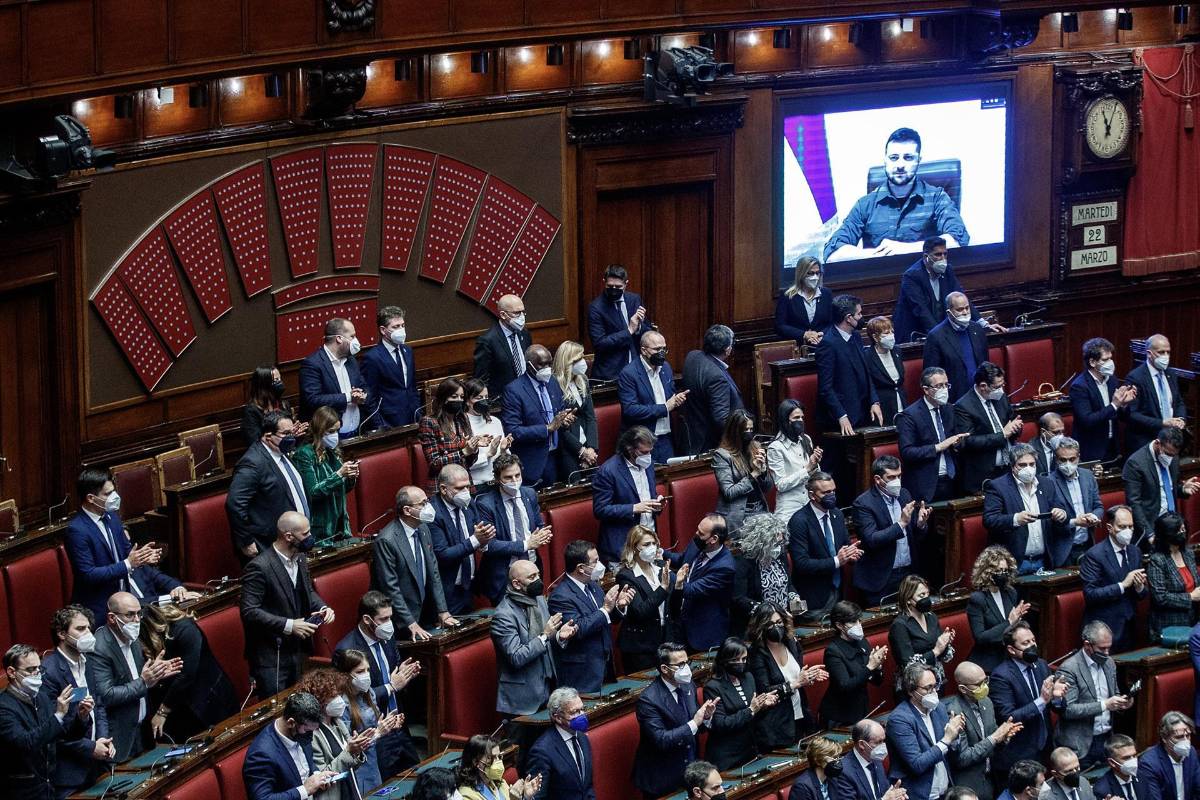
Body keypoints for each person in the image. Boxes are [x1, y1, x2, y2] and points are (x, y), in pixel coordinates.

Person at [823, 129, 969, 262]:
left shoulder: (937, 197)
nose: (900, 164)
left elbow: (957, 241)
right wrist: (878, 254)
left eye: (908, 157)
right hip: (882, 280)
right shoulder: (865, 205)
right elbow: (832, 254)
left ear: (918, 160)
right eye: (894, 158)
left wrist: (904, 249)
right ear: (885, 160)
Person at [65, 467, 191, 621]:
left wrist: (142, 557)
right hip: (105, 608)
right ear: (91, 498)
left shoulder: (111, 517)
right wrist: (128, 564)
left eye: (113, 491)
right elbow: (88, 575)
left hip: (133, 600)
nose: (114, 496)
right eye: (107, 494)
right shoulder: (77, 530)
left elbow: (131, 559)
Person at [239, 512, 333, 696]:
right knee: (279, 712)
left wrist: (322, 607)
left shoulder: (300, 558)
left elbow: (307, 591)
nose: (310, 538)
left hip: (298, 650)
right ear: (288, 536)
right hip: (272, 656)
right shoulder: (259, 567)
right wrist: (289, 625)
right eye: (305, 534)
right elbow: (249, 611)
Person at [332, 591, 421, 776]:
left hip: (398, 725)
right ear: (367, 619)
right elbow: (350, 695)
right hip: (373, 732)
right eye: (384, 618)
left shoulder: (387, 639)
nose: (389, 623)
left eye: (390, 617)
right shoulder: (346, 650)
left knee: (415, 778)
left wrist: (405, 673)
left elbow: (395, 673)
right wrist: (391, 686)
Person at [87, 591, 182, 761]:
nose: (137, 620)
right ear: (111, 618)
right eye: (130, 615)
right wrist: (144, 682)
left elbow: (136, 678)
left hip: (142, 732)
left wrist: (155, 674)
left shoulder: (132, 637)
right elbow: (105, 695)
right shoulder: (99, 648)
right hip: (119, 738)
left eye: (139, 614)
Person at [0, 643, 90, 800]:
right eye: (30, 670)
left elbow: (60, 735)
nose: (36, 674)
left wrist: (81, 717)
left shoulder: (41, 697)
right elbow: (26, 743)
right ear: (11, 672)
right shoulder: (4, 707)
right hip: (23, 792)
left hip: (49, 787)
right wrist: (59, 715)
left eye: (38, 669)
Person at [138, 603, 238, 743]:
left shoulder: (185, 629)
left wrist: (162, 712)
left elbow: (187, 675)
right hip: (177, 705)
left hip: (208, 698)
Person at [371, 486, 459, 641]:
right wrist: (409, 622)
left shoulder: (423, 528)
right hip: (400, 620)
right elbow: (390, 588)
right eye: (423, 503)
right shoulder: (387, 540)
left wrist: (442, 610)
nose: (428, 507)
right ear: (407, 510)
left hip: (425, 610)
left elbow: (434, 572)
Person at [43, 606, 113, 799]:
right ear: (61, 633)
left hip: (96, 767)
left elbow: (99, 705)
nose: (88, 634)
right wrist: (91, 748)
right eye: (80, 629)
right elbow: (52, 730)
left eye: (89, 628)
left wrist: (103, 740)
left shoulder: (88, 661)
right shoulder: (49, 673)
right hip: (68, 774)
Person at [632, 642, 717, 799]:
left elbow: (697, 725)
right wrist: (695, 722)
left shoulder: (688, 686)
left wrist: (705, 718)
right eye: (681, 664)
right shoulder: (649, 700)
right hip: (662, 776)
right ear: (664, 669)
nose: (687, 668)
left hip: (690, 771)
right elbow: (661, 739)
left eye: (687, 662)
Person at [492, 560, 576, 717]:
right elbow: (516, 657)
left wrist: (559, 636)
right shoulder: (503, 615)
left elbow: (547, 640)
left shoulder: (538, 600)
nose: (538, 580)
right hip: (523, 700)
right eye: (532, 577)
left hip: (550, 690)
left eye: (538, 574)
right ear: (517, 584)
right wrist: (545, 635)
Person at [548, 540, 633, 693]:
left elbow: (605, 618)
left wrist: (619, 606)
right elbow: (577, 629)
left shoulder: (593, 585)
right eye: (595, 561)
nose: (600, 565)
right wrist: (606, 609)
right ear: (581, 568)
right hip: (582, 674)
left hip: (605, 666)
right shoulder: (560, 597)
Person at [226, 411, 311, 562]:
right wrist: (246, 541)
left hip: (293, 543)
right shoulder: (253, 463)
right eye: (286, 433)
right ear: (267, 436)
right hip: (268, 546)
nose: (291, 438)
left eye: (292, 432)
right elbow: (235, 503)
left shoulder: (282, 453)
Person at [989, 622, 1067, 777]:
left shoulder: (1041, 665)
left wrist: (1057, 698)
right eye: (1025, 643)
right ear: (1011, 649)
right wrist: (1042, 701)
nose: (1032, 646)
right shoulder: (1001, 676)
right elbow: (1008, 717)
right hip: (1020, 752)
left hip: (1045, 745)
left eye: (1033, 641)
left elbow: (1056, 706)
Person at [474, 453, 553, 605]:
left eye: (517, 475)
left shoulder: (529, 494)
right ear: (497, 479)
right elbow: (488, 545)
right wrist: (526, 545)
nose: (514, 481)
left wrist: (544, 534)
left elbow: (538, 524)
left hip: (531, 570)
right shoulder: (486, 504)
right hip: (504, 576)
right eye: (508, 478)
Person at [853, 455, 931, 607]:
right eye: (891, 477)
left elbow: (914, 536)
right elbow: (871, 539)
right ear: (877, 479)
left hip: (908, 573)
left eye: (899, 476)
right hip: (882, 578)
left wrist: (920, 524)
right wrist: (901, 523)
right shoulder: (863, 504)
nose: (897, 481)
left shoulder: (904, 494)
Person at [982, 443, 1072, 575]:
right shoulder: (997, 487)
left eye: (1032, 464)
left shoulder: (1046, 484)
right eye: (1022, 465)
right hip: (1013, 562)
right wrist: (1016, 519)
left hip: (1044, 562)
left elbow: (1064, 511)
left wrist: (1062, 514)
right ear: (1013, 466)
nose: (1028, 469)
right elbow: (989, 520)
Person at [1054, 621, 1132, 770]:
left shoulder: (1109, 663)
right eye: (1102, 649)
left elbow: (1113, 694)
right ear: (1087, 645)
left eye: (1109, 647)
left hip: (1107, 741)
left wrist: (1123, 703)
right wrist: (1105, 705)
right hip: (1080, 746)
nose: (1107, 653)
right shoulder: (1069, 669)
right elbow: (1068, 710)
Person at [747, 602, 825, 749]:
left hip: (800, 713)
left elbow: (799, 674)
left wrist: (809, 676)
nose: (775, 627)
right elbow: (765, 691)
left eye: (778, 622)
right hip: (776, 724)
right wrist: (795, 683)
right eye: (769, 624)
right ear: (761, 627)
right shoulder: (757, 653)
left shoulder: (791, 642)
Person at [331, 648, 406, 794]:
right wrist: (378, 732)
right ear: (345, 675)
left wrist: (389, 725)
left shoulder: (368, 692)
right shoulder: (341, 704)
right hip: (356, 768)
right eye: (360, 672)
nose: (365, 675)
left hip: (372, 761)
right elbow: (346, 747)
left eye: (367, 670)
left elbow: (375, 722)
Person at [887, 662, 965, 800]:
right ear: (911, 691)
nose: (934, 692)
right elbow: (917, 764)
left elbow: (952, 753)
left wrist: (955, 735)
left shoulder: (939, 708)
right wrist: (947, 739)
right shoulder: (899, 720)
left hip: (945, 790)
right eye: (928, 688)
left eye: (935, 686)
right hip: (919, 794)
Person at [501, 344, 576, 487]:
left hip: (559, 456)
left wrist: (565, 419)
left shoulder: (552, 382)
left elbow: (559, 411)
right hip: (534, 462)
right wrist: (547, 428)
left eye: (549, 363)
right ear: (529, 365)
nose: (547, 368)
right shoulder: (514, 390)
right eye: (542, 364)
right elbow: (513, 431)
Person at [427, 463, 498, 614]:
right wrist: (476, 540)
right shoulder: (433, 514)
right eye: (459, 488)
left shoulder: (469, 503)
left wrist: (484, 540)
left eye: (467, 486)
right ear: (443, 489)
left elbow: (480, 535)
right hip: (447, 591)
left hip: (469, 586)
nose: (465, 492)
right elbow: (443, 555)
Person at [294, 668, 374, 800]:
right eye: (333, 696)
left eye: (339, 694)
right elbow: (322, 777)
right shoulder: (312, 734)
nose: (339, 700)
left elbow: (351, 762)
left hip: (350, 790)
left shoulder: (337, 722)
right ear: (319, 701)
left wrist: (358, 749)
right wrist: (349, 751)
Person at [242, 692, 339, 800]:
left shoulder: (299, 733)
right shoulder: (261, 755)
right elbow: (263, 798)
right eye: (307, 731)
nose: (310, 737)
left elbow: (309, 763)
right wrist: (305, 790)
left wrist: (318, 777)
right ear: (291, 723)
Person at [947, 660, 1022, 800]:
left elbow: (991, 746)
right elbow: (962, 758)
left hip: (990, 779)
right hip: (967, 787)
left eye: (985, 680)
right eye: (978, 684)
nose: (985, 686)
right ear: (963, 688)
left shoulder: (986, 702)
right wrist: (994, 737)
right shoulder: (954, 712)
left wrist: (1003, 739)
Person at [789, 471, 861, 614]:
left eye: (833, 491)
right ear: (811, 495)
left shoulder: (837, 514)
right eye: (826, 492)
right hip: (813, 598)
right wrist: (836, 561)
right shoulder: (799, 521)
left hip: (839, 592)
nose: (831, 496)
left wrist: (852, 555)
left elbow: (845, 546)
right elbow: (801, 563)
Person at [702, 637, 780, 770]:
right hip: (727, 756)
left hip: (749, 750)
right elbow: (721, 724)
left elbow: (753, 717)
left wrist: (763, 706)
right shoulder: (713, 687)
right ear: (724, 661)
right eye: (735, 660)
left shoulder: (748, 678)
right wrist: (751, 710)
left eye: (743, 659)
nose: (740, 663)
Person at [1079, 506, 1148, 651]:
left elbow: (1142, 594)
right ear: (1110, 527)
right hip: (1105, 629)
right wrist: (1122, 585)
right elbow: (1090, 594)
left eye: (1131, 526)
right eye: (1122, 527)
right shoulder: (1094, 555)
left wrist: (1139, 586)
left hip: (1131, 626)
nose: (1127, 531)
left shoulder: (1135, 551)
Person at [592, 426, 663, 564]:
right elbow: (600, 510)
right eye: (644, 452)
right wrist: (633, 508)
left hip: (649, 543)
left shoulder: (648, 465)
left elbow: (648, 494)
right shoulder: (608, 471)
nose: (648, 456)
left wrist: (657, 504)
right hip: (623, 548)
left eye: (650, 452)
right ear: (630, 449)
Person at [897, 367, 968, 503]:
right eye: (939, 386)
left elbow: (956, 438)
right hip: (927, 485)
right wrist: (939, 447)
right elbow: (907, 452)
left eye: (946, 385)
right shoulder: (909, 416)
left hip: (953, 480)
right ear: (926, 390)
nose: (944, 389)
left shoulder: (949, 409)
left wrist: (959, 443)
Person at [816, 294, 882, 435]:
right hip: (843, 420)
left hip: (864, 412)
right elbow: (825, 388)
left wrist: (874, 401)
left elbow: (866, 372)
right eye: (858, 313)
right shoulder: (828, 344)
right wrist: (841, 415)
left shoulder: (856, 336)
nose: (861, 317)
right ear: (848, 318)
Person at [618, 330, 687, 463]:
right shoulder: (629, 374)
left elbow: (670, 396)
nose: (661, 353)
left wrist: (677, 400)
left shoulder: (665, 368)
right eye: (657, 349)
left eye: (664, 349)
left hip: (666, 439)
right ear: (644, 350)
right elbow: (630, 410)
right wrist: (665, 407)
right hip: (640, 442)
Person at [291, 405, 358, 544]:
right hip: (320, 531)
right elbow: (313, 492)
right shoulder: (304, 454)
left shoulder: (331, 452)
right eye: (331, 431)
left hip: (339, 527)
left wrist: (350, 477)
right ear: (320, 431)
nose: (335, 435)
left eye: (337, 430)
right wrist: (340, 474)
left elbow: (342, 489)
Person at [892, 236, 976, 344]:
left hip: (938, 332)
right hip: (913, 333)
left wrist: (983, 323)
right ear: (926, 257)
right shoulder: (912, 276)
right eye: (938, 254)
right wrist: (941, 335)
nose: (943, 258)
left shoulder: (947, 270)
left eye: (945, 254)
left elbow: (961, 297)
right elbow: (920, 310)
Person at [672, 512, 736, 652]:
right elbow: (682, 559)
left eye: (701, 533)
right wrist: (658, 553)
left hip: (704, 634)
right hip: (682, 626)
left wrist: (659, 570)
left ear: (713, 539)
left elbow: (690, 590)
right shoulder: (699, 544)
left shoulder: (725, 567)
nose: (696, 534)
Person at [730, 514, 801, 639]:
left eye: (780, 543)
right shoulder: (744, 562)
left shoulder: (780, 557)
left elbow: (787, 584)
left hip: (782, 622)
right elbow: (738, 598)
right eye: (774, 544)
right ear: (761, 542)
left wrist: (795, 601)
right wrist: (767, 612)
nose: (778, 548)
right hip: (756, 627)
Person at [1123, 426, 1200, 541]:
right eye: (1168, 454)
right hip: (1151, 526)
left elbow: (1168, 488)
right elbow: (1134, 503)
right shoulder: (1136, 463)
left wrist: (1182, 489)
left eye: (1174, 455)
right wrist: (1148, 533)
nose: (1170, 458)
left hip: (1172, 524)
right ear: (1158, 443)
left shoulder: (1173, 455)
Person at [956, 361, 1022, 493]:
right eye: (997, 387)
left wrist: (1016, 427)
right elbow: (967, 441)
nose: (1001, 390)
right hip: (984, 475)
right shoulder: (963, 406)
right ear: (983, 386)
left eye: (1002, 385)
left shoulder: (1001, 397)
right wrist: (1002, 435)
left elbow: (1012, 423)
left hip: (1009, 468)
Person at [615, 526, 673, 674]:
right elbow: (640, 611)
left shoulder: (661, 567)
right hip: (640, 647)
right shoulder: (626, 575)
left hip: (664, 640)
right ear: (634, 548)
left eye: (654, 543)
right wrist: (663, 588)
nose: (652, 548)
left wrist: (678, 585)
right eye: (646, 544)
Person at [1069, 338, 1136, 463]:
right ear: (1093, 362)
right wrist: (1115, 404)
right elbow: (1087, 420)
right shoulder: (1080, 386)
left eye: (1111, 358)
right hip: (1091, 449)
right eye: (1105, 360)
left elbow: (1121, 417)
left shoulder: (1112, 380)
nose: (1110, 362)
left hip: (1112, 446)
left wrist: (1124, 405)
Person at [682, 324, 745, 455]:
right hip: (711, 442)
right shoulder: (716, 377)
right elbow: (721, 418)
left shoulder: (692, 356)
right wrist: (740, 437)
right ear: (727, 350)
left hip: (692, 432)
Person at [821, 601, 886, 729]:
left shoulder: (862, 642)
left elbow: (877, 682)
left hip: (861, 709)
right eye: (853, 622)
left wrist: (878, 666)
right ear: (839, 625)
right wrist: (870, 667)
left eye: (859, 621)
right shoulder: (833, 651)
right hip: (840, 716)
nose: (858, 625)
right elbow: (845, 685)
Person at [966, 546, 1030, 672]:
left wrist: (1017, 621)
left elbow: (1014, 628)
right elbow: (980, 638)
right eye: (999, 571)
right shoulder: (978, 599)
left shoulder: (1010, 593)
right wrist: (1009, 623)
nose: (1003, 575)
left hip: (1009, 657)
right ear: (987, 572)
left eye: (1006, 571)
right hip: (988, 663)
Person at [526, 686, 596, 800]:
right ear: (558, 717)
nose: (582, 715)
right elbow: (538, 796)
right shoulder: (542, 751)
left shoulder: (583, 738)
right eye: (575, 712)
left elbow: (587, 787)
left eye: (582, 709)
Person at [299, 317, 367, 434]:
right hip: (329, 434)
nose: (356, 340)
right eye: (352, 336)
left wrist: (362, 395)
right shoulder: (313, 364)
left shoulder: (352, 361)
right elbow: (313, 399)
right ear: (339, 339)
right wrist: (349, 397)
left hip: (357, 429)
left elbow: (363, 386)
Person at [888, 575, 956, 690]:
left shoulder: (931, 617)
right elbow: (908, 665)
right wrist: (935, 651)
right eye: (921, 595)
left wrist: (945, 643)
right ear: (908, 599)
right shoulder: (899, 625)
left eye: (927, 594)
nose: (926, 599)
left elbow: (945, 657)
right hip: (914, 688)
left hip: (936, 681)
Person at [1125, 334, 1188, 455]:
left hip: (1170, 441)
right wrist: (1162, 423)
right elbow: (1132, 415)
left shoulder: (1171, 374)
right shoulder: (1136, 377)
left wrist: (1180, 419)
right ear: (1149, 353)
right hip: (1145, 442)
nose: (1166, 356)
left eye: (1168, 352)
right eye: (1161, 352)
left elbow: (1178, 402)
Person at [418, 377, 484, 493]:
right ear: (443, 398)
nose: (459, 400)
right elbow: (434, 463)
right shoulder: (429, 422)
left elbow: (469, 462)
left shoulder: (462, 419)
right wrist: (463, 452)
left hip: (464, 483)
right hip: (442, 486)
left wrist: (473, 449)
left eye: (462, 397)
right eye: (454, 397)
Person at [712, 410, 774, 533]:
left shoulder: (755, 447)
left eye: (751, 430)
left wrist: (763, 471)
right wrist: (754, 475)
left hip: (760, 510)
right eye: (746, 430)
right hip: (739, 516)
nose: (749, 434)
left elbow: (768, 488)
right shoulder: (722, 455)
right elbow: (729, 492)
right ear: (735, 431)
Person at [587, 264, 651, 382]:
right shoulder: (596, 308)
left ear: (626, 284)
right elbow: (600, 343)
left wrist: (639, 327)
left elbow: (647, 330)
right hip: (611, 373)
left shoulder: (634, 299)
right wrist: (629, 331)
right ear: (604, 282)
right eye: (610, 286)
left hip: (637, 368)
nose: (614, 290)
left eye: (618, 287)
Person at [925, 292, 990, 406]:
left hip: (980, 395)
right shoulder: (936, 336)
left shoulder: (977, 329)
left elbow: (985, 363)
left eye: (967, 308)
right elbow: (931, 374)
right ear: (949, 312)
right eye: (959, 310)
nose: (965, 312)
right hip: (955, 400)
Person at [361, 305, 420, 429]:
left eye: (402, 325)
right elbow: (370, 397)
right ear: (383, 330)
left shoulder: (407, 351)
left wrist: (418, 412)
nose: (401, 330)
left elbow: (412, 386)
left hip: (413, 417)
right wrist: (380, 425)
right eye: (396, 327)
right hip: (389, 422)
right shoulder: (372, 357)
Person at [1048, 437, 1104, 566]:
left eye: (1072, 459)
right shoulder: (1048, 482)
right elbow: (1048, 522)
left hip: (1088, 546)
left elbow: (1098, 505)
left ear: (1078, 457)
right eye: (1063, 460)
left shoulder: (1088, 476)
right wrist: (1074, 522)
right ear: (1056, 459)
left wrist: (1094, 516)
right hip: (1063, 550)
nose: (1068, 464)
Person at [766, 399, 822, 524]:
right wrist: (807, 468)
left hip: (810, 502)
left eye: (802, 417)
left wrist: (815, 464)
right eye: (796, 417)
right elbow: (781, 485)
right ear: (786, 420)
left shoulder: (806, 439)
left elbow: (814, 476)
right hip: (789, 506)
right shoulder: (776, 447)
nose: (801, 421)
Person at [1146, 512, 1200, 640]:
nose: (1183, 532)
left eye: (1184, 529)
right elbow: (1160, 597)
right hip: (1170, 626)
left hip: (1193, 620)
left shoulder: (1188, 554)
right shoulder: (1157, 560)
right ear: (1168, 534)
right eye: (1179, 530)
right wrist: (1190, 597)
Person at [552, 341, 599, 478]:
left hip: (588, 447)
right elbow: (559, 425)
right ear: (567, 362)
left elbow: (590, 417)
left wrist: (591, 448)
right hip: (567, 449)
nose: (583, 362)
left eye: (583, 357)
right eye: (578, 359)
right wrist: (581, 451)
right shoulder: (554, 385)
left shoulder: (582, 379)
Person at [473, 293, 533, 399]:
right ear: (503, 315)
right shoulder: (488, 341)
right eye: (517, 313)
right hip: (503, 400)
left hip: (528, 394)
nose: (522, 317)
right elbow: (481, 379)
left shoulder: (524, 333)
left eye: (523, 312)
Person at [835, 719, 907, 800]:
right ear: (862, 744)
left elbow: (884, 792)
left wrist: (895, 794)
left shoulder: (876, 759)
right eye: (878, 742)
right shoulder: (844, 772)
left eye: (884, 741)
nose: (883, 746)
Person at [1139, 711, 1200, 800]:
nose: (1186, 741)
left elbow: (1198, 790)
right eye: (1179, 737)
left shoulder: (1191, 753)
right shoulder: (1149, 763)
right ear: (1164, 738)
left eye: (1188, 735)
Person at [775, 256, 833, 347]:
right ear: (801, 274)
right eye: (810, 273)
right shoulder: (788, 296)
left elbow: (832, 322)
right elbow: (780, 326)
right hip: (798, 347)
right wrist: (804, 334)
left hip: (823, 345)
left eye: (818, 273)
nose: (815, 277)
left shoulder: (826, 294)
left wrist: (821, 334)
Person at [463, 378, 511, 486]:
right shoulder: (461, 425)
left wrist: (503, 449)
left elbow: (503, 459)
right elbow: (463, 463)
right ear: (467, 401)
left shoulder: (495, 421)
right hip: (476, 484)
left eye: (486, 397)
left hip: (498, 481)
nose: (484, 401)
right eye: (479, 398)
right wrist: (488, 455)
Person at [241, 364, 301, 445]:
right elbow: (254, 442)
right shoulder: (251, 411)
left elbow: (290, 433)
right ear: (264, 385)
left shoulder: (283, 404)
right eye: (276, 380)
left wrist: (293, 433)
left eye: (280, 379)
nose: (280, 383)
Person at [865, 316, 907, 424]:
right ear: (875, 337)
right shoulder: (867, 356)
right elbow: (869, 385)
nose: (891, 336)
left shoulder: (897, 351)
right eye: (886, 333)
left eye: (892, 332)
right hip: (883, 406)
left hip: (902, 402)